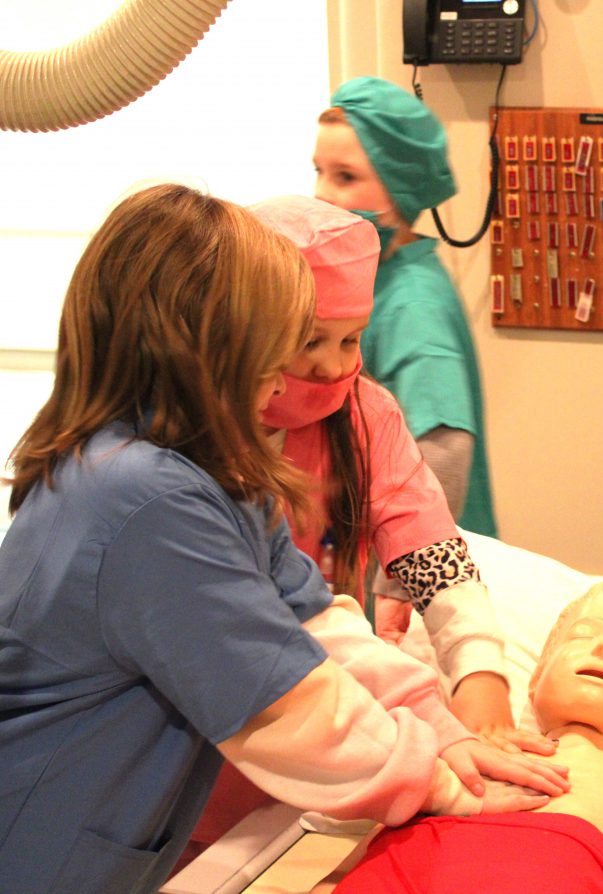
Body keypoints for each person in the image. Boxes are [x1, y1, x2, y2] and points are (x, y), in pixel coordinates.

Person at [0, 184, 567, 894]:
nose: (296, 378)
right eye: (288, 342)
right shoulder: (146, 499)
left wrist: (450, 732)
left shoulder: (215, 470)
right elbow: (289, 708)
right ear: (203, 344)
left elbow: (322, 628)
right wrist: (443, 783)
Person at [183, 195, 549, 858]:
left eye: (351, 340)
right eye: (308, 341)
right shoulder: (191, 451)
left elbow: (431, 555)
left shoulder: (363, 416)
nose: (331, 365)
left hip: (344, 722)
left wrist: (480, 685)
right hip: (218, 730)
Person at [316, 581, 603, 894]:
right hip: (402, 861)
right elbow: (371, 845)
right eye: (582, 634)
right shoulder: (465, 747)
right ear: (537, 677)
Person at [312, 75, 496, 638]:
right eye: (318, 170)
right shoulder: (379, 279)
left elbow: (443, 451)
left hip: (413, 595)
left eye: (346, 177)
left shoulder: (411, 303)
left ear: (400, 185)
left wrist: (395, 582)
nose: (322, 194)